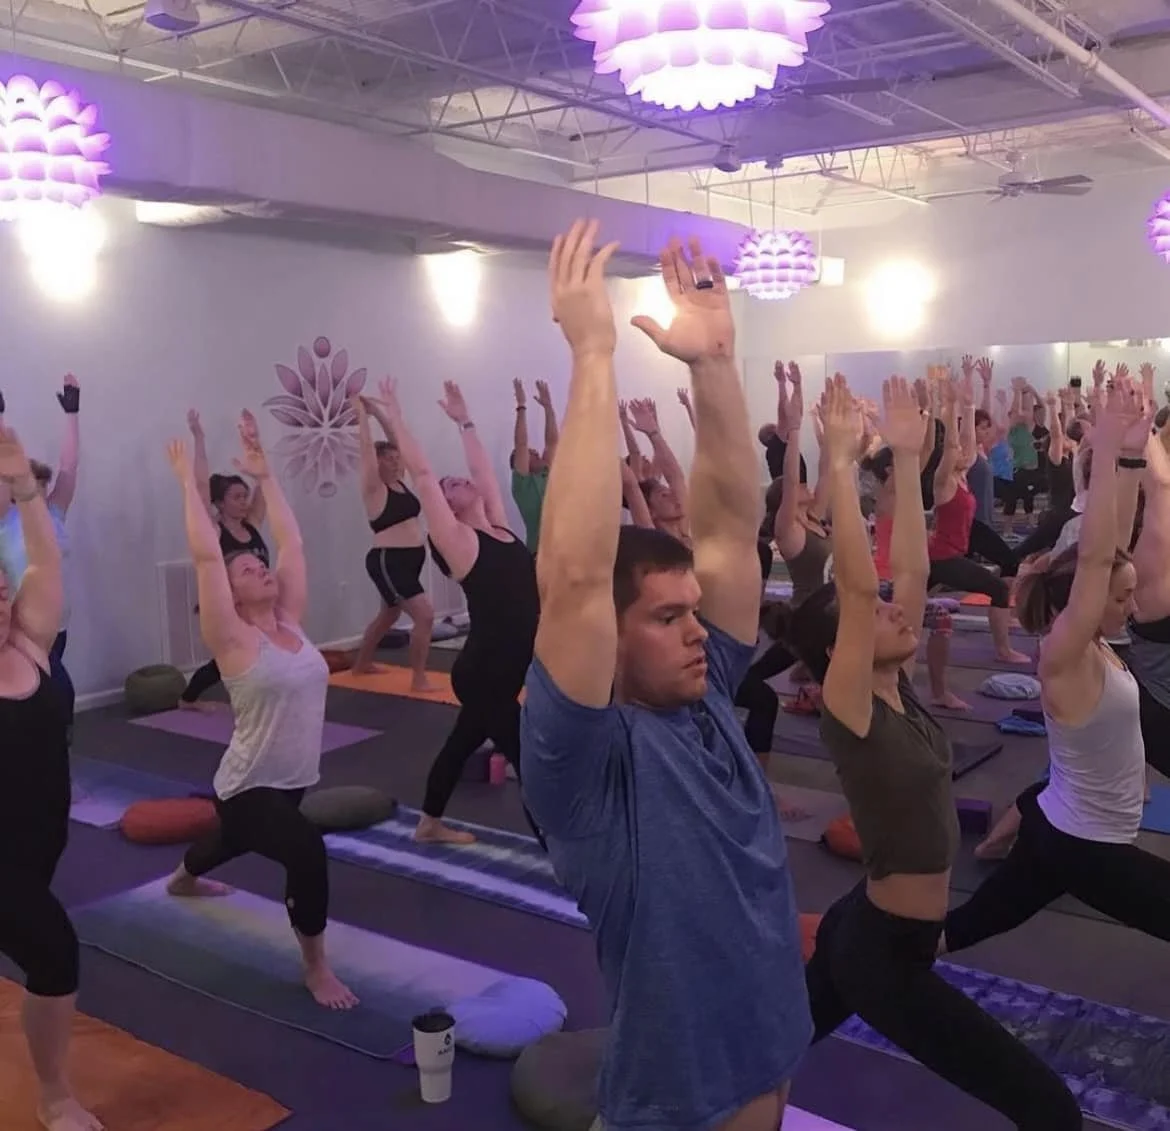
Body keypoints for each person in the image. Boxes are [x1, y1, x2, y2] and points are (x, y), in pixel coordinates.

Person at [522, 222, 811, 1131]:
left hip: (768, 1056)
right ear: (612, 633)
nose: (699, 632)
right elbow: (572, 574)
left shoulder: (709, 694)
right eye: (664, 616)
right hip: (673, 1107)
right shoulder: (588, 767)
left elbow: (730, 523)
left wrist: (717, 364)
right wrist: (594, 352)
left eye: (694, 611)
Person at [786, 374, 1082, 1130]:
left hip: (870, 921)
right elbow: (859, 591)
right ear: (839, 649)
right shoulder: (851, 707)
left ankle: (696, 1098)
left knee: (770, 1050)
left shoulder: (895, 686)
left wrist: (913, 462)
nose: (897, 608)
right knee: (1049, 1110)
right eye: (877, 614)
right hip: (884, 952)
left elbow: (908, 573)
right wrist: (843, 464)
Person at [943, 378, 1170, 956]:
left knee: (964, 929)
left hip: (1053, 822)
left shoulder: (1100, 639)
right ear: (1083, 600)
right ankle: (852, 959)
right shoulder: (1065, 651)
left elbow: (1111, 546)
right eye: (1119, 596)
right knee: (975, 923)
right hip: (1086, 845)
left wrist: (1126, 456)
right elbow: (1096, 556)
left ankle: (868, 953)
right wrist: (1106, 446)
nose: (1130, 602)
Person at [164, 411, 357, 1011]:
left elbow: (293, 542)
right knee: (303, 851)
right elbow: (204, 558)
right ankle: (316, 966)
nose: (261, 567)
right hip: (246, 784)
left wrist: (267, 476)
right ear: (231, 592)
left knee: (234, 844)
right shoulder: (233, 638)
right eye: (246, 569)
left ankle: (185, 875)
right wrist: (187, 489)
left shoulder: (291, 620)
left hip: (293, 779)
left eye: (258, 563)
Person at [366, 378, 540, 846]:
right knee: (528, 759)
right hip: (485, 673)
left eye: (459, 479)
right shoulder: (462, 544)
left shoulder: (501, 528)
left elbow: (483, 471)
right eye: (450, 486)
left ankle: (429, 822)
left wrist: (465, 421)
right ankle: (561, 850)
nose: (457, 480)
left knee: (463, 740)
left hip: (508, 668)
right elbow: (423, 476)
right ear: (444, 507)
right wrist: (396, 418)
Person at [0, 421, 102, 1131]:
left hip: (41, 838)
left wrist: (24, 487)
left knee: (36, 931)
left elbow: (46, 562)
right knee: (55, 952)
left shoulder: (28, 640)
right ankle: (54, 1093)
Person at [927, 374, 1030, 665]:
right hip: (943, 558)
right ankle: (1003, 650)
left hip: (946, 555)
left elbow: (967, 446)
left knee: (901, 599)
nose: (964, 450)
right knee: (997, 589)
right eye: (958, 449)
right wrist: (948, 408)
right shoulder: (944, 481)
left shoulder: (962, 476)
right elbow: (951, 447)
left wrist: (970, 406)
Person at [0, 374, 81, 733]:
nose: (42, 487)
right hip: (23, 623)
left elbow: (69, 466)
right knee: (57, 692)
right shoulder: (6, 517)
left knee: (52, 694)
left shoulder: (54, 513)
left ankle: (49, 745)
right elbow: (5, 456)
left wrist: (72, 414)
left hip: (57, 625)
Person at [178, 408, 270, 711]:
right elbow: (201, 486)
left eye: (245, 497)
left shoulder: (253, 524)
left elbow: (266, 482)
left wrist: (255, 444)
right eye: (236, 498)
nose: (244, 503)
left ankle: (195, 698)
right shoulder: (214, 530)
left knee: (259, 650)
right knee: (229, 657)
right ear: (219, 503)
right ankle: (188, 699)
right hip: (226, 605)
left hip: (255, 603)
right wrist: (199, 438)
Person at [348, 398, 435, 687]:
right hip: (389, 561)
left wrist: (380, 413)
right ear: (378, 462)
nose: (395, 460)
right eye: (388, 458)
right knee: (424, 615)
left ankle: (360, 665)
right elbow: (365, 451)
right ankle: (419, 679)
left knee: (389, 615)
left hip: (409, 561)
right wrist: (362, 417)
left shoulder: (401, 484)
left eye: (396, 458)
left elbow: (398, 441)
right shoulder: (374, 489)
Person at [511, 378, 559, 551]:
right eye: (531, 454)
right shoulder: (522, 486)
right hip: (542, 554)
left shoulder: (549, 472)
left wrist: (548, 407)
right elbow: (521, 444)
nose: (537, 452)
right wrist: (521, 405)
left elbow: (552, 442)